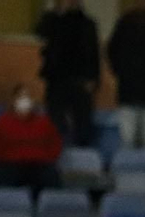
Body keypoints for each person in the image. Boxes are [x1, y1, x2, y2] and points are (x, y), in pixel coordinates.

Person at [35, 0, 98, 148]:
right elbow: (40, 32)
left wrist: (94, 78)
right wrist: (57, 12)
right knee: (55, 121)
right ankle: (53, 151)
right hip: (56, 79)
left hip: (81, 80)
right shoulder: (54, 20)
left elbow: (93, 53)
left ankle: (82, 155)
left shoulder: (88, 24)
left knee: (83, 124)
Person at [107, 0, 145, 149]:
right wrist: (120, 73)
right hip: (128, 91)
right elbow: (112, 50)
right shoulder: (124, 23)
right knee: (127, 143)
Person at [0, 88, 62, 195]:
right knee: (3, 175)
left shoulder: (45, 123)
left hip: (39, 164)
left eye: (27, 98)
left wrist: (45, 158)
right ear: (13, 101)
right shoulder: (1, 123)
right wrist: (8, 159)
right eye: (20, 98)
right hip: (10, 165)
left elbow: (55, 144)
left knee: (50, 176)